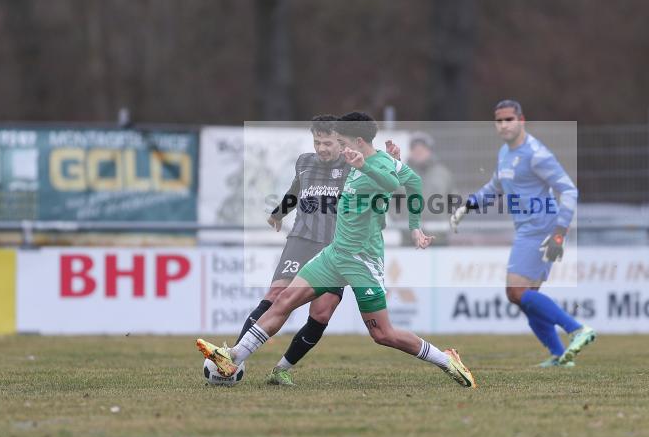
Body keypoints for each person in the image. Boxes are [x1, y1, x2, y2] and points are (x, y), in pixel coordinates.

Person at [198, 112, 476, 388]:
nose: (335, 146)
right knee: (284, 301)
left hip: (362, 260)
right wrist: (415, 226)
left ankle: (446, 359)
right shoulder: (353, 158)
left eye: (340, 141)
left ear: (355, 141)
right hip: (334, 254)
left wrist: (410, 220)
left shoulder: (372, 163)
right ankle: (233, 357)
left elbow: (397, 183)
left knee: (383, 334)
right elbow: (412, 181)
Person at [231, 115, 407, 387]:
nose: (322, 148)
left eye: (327, 143)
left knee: (321, 314)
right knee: (277, 294)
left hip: (336, 247)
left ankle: (281, 369)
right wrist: (278, 214)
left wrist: (396, 160)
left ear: (340, 141)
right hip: (302, 239)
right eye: (317, 142)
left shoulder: (354, 164)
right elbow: (295, 190)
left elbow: (382, 175)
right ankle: (233, 357)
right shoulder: (304, 162)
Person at [449, 99, 595, 367]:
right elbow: (494, 187)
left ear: (521, 120)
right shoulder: (505, 154)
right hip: (529, 228)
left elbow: (570, 191)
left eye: (509, 119)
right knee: (525, 298)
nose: (504, 125)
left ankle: (577, 329)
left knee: (516, 292)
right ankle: (560, 356)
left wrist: (559, 234)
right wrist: (467, 206)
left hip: (542, 229)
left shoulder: (537, 154)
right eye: (499, 120)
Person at [405, 132, 453, 242]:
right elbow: (391, 199)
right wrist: (401, 221)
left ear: (430, 151)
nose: (418, 153)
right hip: (409, 239)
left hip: (438, 238)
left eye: (422, 149)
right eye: (415, 150)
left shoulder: (443, 173)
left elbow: (454, 199)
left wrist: (446, 221)